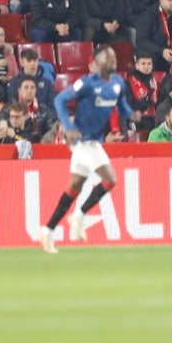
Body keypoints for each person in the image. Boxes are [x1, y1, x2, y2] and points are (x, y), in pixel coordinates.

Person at [39, 46, 135, 254]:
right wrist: (68, 127)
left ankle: (47, 231)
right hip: (84, 142)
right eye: (107, 57)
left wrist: (130, 113)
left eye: (114, 56)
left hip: (94, 142)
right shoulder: (87, 83)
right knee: (110, 179)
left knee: (73, 188)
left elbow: (121, 105)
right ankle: (79, 215)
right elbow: (59, 100)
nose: (112, 60)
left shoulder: (118, 82)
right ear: (97, 62)